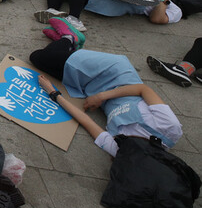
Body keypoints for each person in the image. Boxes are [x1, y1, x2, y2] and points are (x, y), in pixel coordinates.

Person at [31, 36, 182, 159]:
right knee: (42, 56)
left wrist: (53, 93)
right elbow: (143, 89)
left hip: (90, 89)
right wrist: (101, 96)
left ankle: (71, 49)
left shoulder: (122, 151)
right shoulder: (169, 128)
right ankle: (69, 37)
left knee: (39, 61)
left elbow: (86, 121)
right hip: (115, 74)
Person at [35, 0, 182, 36]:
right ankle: (52, 11)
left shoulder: (175, 9)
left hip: (119, 3)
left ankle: (74, 19)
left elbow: (157, 19)